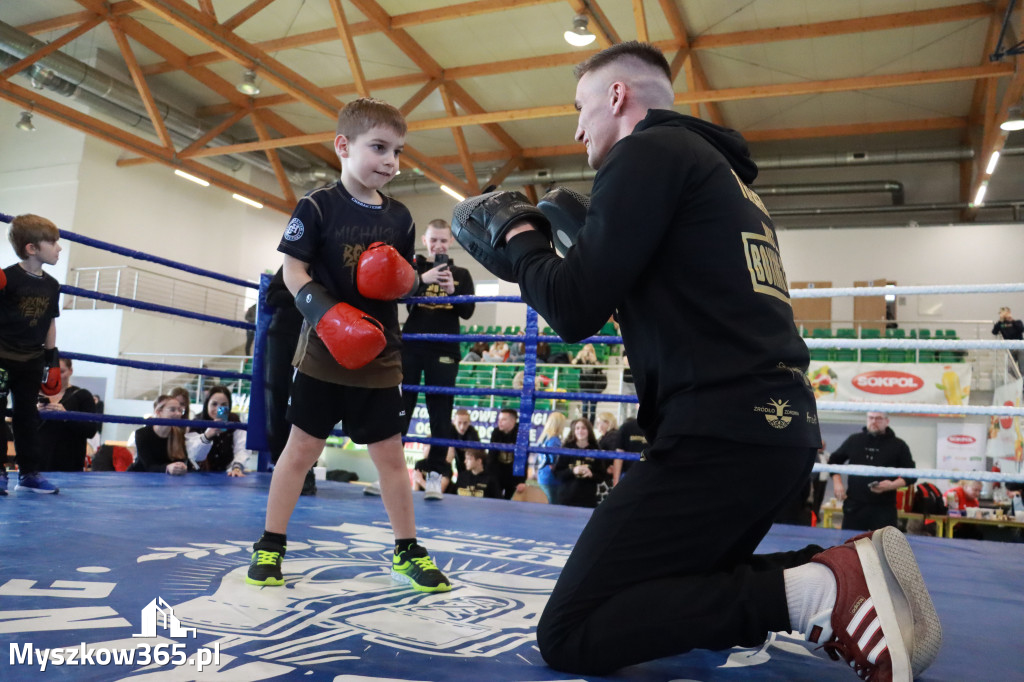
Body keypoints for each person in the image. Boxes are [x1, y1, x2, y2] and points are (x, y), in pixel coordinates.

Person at [470, 42, 939, 678]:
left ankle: (820, 594)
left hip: (718, 432)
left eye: (581, 109)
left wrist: (522, 245)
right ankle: (848, 576)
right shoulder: (727, 179)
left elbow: (572, 308)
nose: (578, 129)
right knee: (681, 584)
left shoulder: (646, 153)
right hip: (774, 430)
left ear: (617, 97)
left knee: (573, 631)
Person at [246, 97, 450, 593]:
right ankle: (270, 544)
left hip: (380, 351)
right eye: (378, 147)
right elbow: (293, 271)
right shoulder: (316, 207)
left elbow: (401, 283)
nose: (391, 162)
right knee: (301, 450)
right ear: (343, 145)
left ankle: (408, 549)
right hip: (322, 348)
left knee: (391, 457)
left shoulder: (401, 218)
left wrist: (412, 282)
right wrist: (327, 313)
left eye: (398, 151)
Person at [401, 218, 475, 487]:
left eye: (443, 240)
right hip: (411, 346)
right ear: (425, 241)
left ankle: (435, 475)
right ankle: (392, 473)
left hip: (444, 350)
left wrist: (453, 291)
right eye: (433, 240)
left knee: (440, 414)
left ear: (451, 242)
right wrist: (422, 279)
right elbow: (396, 295)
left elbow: (468, 312)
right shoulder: (413, 268)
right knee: (401, 409)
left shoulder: (463, 274)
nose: (438, 245)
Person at [0, 214, 63, 494]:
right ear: (32, 248)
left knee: (27, 416)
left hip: (32, 360)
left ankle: (28, 474)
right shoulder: (7, 278)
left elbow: (50, 321)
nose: (59, 248)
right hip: (2, 357)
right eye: (53, 242)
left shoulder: (52, 285)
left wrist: (52, 359)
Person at [262, 267, 317, 495]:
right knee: (278, 396)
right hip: (283, 335)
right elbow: (272, 296)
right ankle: (279, 463)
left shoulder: (333, 264)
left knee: (307, 401)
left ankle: (305, 468)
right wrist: (308, 295)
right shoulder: (294, 262)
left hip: (315, 338)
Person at [829, 412, 916, 532]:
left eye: (878, 418)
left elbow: (911, 474)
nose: (874, 421)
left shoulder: (898, 445)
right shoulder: (854, 440)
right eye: (871, 418)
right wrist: (837, 483)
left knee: (884, 547)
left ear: (887, 421)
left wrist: (891, 485)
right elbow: (834, 461)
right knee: (850, 547)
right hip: (855, 505)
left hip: (884, 507)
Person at [37, 357, 98, 471]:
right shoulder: (35, 395)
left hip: (68, 462)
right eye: (51, 372)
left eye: (61, 371)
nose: (55, 375)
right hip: (37, 461)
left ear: (71, 371)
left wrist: (66, 416)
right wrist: (33, 412)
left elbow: (91, 430)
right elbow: (21, 427)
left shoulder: (82, 396)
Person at [187, 385, 249, 476]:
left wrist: (237, 467)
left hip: (226, 475)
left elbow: (242, 447)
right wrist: (207, 436)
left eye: (224, 405)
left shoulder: (234, 421)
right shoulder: (197, 422)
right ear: (207, 404)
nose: (218, 409)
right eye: (214, 404)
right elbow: (194, 456)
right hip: (199, 475)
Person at [128, 394, 193, 474]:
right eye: (172, 410)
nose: (178, 414)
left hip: (167, 479)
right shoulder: (142, 434)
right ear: (158, 412)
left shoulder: (178, 434)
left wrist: (182, 467)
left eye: (180, 410)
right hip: (140, 476)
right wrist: (167, 468)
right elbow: (148, 466)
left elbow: (182, 460)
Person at [552, 417, 602, 508]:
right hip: (566, 498)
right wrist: (573, 471)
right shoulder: (566, 448)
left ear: (589, 430)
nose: (580, 431)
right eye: (577, 428)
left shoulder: (596, 449)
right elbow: (557, 474)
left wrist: (591, 474)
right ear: (573, 431)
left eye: (583, 428)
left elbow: (602, 475)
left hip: (588, 499)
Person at [487, 407, 523, 499]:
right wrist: (489, 476)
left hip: (513, 474)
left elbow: (523, 459)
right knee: (494, 499)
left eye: (503, 419)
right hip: (498, 472)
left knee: (512, 503)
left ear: (513, 421)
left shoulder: (521, 435)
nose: (500, 422)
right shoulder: (496, 432)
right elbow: (491, 456)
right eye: (499, 419)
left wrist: (521, 481)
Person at [534, 411, 567, 504]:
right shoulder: (554, 440)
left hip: (542, 474)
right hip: (551, 477)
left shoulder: (544, 437)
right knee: (553, 504)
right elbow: (554, 461)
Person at [445, 408, 480, 492]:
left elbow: (473, 459)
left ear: (469, 422)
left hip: (470, 466)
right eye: (459, 423)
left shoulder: (472, 434)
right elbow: (448, 456)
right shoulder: (450, 430)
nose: (462, 427)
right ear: (454, 422)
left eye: (465, 423)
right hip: (458, 463)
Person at [611, 415, 646, 485]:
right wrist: (616, 482)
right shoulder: (627, 427)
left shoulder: (661, 427)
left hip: (651, 475)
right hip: (629, 474)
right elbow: (619, 455)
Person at [992, 306, 1024, 375]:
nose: (1002, 314)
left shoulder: (1017, 322)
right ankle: (1020, 379)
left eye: (1003, 313)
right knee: (1009, 368)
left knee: (1022, 369)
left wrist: (1011, 319)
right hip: (1010, 348)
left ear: (1009, 312)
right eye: (1000, 313)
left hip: (1020, 348)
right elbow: (994, 332)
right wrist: (1000, 321)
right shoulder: (1001, 324)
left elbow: (1021, 329)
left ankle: (1021, 381)